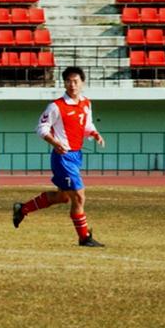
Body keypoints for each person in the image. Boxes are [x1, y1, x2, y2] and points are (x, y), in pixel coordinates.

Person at [12, 66, 106, 247]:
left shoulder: (86, 103)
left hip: (77, 155)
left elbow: (87, 125)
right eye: (68, 81)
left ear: (82, 83)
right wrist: (55, 143)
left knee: (63, 198)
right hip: (62, 157)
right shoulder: (56, 106)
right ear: (64, 83)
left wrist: (95, 133)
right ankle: (84, 238)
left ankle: (22, 209)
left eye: (75, 81)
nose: (72, 85)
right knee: (79, 197)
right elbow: (41, 128)